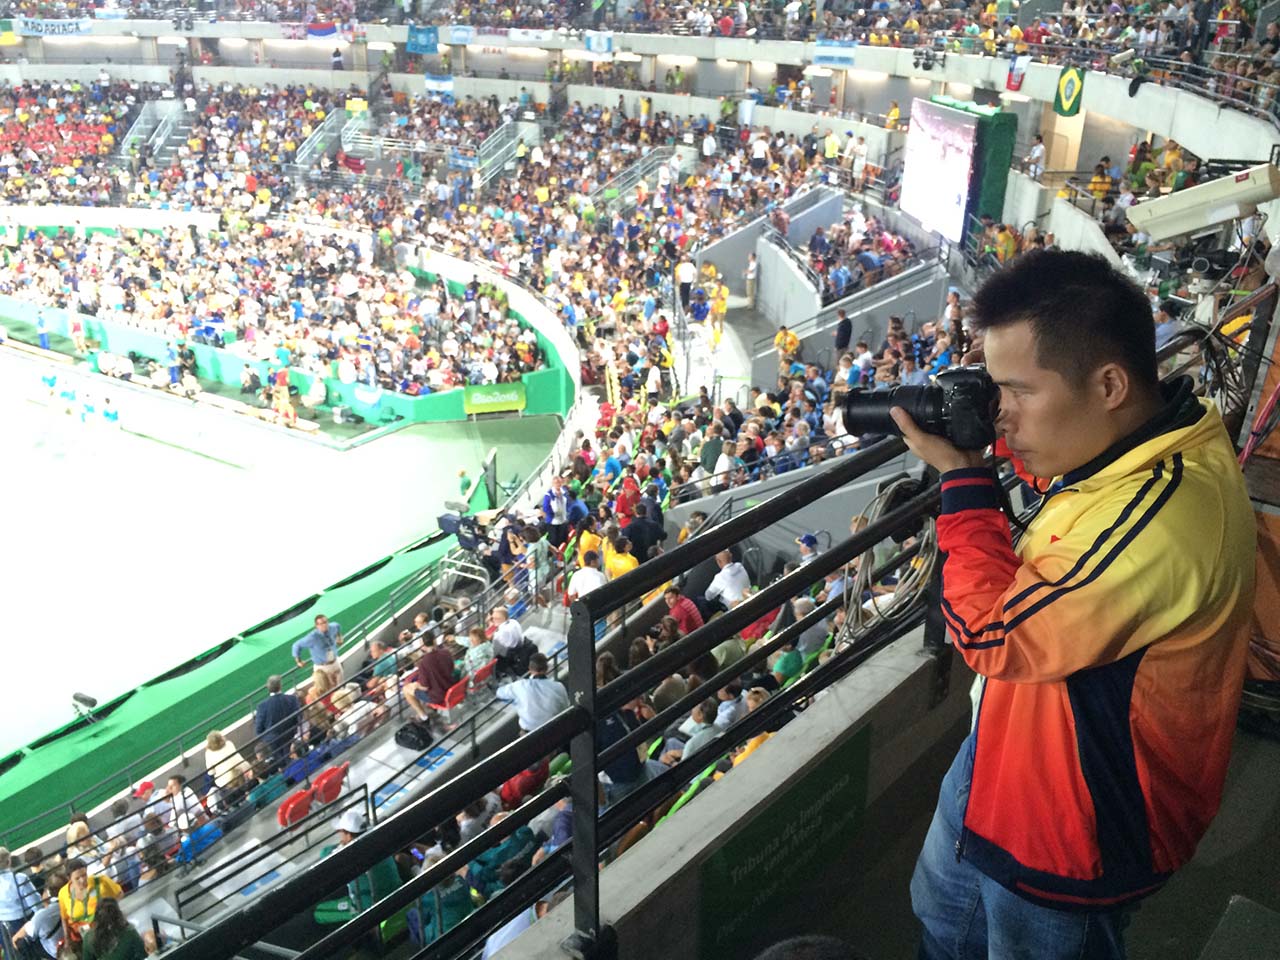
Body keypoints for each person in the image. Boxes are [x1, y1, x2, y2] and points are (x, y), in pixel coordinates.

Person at [894, 250, 1255, 958]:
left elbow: (989, 634)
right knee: (942, 929)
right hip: (1006, 753)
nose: (1001, 413)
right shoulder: (1143, 438)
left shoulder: (1162, 520)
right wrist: (992, 428)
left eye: (1015, 391)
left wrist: (964, 480)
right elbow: (1079, 491)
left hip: (1073, 826)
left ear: (1110, 384)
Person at [332, 811, 400, 913]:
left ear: (348, 835)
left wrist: (341, 845)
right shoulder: (377, 840)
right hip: (398, 895)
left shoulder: (346, 855)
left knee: (319, 912)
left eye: (340, 832)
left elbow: (325, 853)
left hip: (369, 909)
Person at [495, 654, 570, 734]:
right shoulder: (559, 686)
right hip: (558, 729)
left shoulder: (520, 686)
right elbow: (565, 707)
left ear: (530, 669)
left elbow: (499, 693)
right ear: (547, 668)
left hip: (531, 733)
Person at [58, 859, 124, 947]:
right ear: (69, 878)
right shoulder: (63, 893)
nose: (82, 880)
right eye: (77, 878)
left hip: (108, 930)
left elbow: (119, 894)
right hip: (85, 939)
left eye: (84, 875)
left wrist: (111, 912)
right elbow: (64, 918)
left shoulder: (101, 881)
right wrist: (67, 939)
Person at [254, 674, 301, 765]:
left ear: (268, 688)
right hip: (290, 735)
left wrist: (268, 738)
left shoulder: (262, 706)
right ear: (280, 686)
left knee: (280, 763)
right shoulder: (292, 699)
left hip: (273, 742)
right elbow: (299, 717)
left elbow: (258, 730)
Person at [0, 847, 37, 948]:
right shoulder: (20, 878)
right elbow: (36, 904)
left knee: (10, 952)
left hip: (3, 926)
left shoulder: (19, 878)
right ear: (9, 861)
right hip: (23, 922)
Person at [293, 614, 344, 686]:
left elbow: (337, 626)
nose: (324, 625)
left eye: (325, 622)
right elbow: (296, 645)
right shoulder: (313, 637)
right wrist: (298, 661)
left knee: (341, 687)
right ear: (316, 626)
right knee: (327, 690)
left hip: (335, 663)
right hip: (322, 668)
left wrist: (339, 637)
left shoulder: (332, 627)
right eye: (321, 624)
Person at [541, 475, 572, 548]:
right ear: (553, 484)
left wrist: (567, 512)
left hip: (563, 520)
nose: (558, 484)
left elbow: (568, 502)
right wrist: (553, 514)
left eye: (559, 482)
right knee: (554, 540)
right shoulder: (548, 495)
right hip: (553, 522)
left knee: (563, 538)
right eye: (556, 483)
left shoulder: (564, 492)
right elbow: (545, 508)